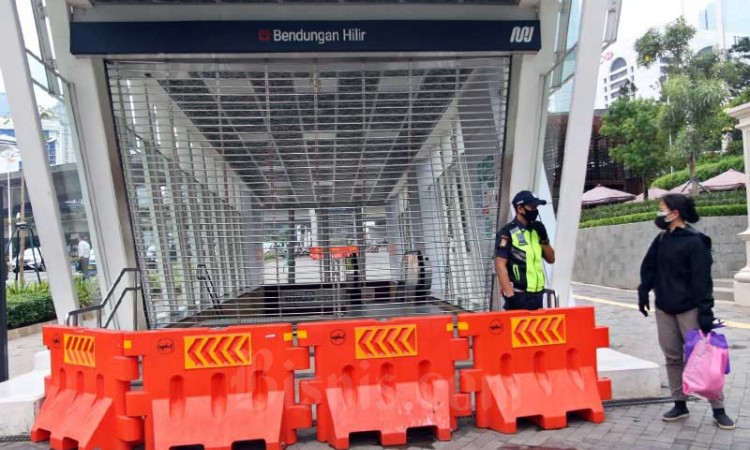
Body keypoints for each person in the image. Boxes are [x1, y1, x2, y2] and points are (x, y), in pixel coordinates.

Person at [638, 194, 734, 430]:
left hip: (689, 309)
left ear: (675, 212)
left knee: (701, 358)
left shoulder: (695, 241)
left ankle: (718, 408)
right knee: (672, 357)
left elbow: (702, 280)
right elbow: (649, 266)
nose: (659, 213)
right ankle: (679, 403)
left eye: (661, 209)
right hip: (664, 308)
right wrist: (644, 289)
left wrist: (705, 311)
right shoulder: (662, 239)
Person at [495, 190, 555, 310]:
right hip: (519, 295)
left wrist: (544, 239)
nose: (535, 211)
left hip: (537, 295)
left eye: (536, 207)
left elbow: (551, 259)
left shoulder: (536, 231)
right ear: (520, 209)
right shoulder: (507, 232)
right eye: (532, 207)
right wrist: (510, 296)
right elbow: (500, 265)